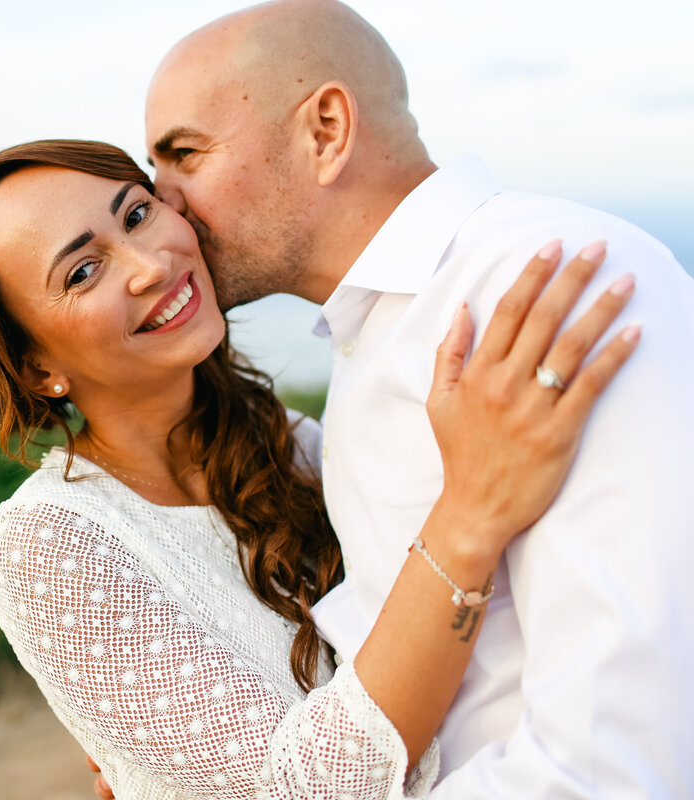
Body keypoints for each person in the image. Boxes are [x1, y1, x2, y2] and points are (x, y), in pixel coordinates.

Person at [0, 139, 638, 799]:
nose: (150, 264)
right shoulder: (51, 544)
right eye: (84, 271)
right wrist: (468, 518)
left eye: (139, 213)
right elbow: (300, 788)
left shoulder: (289, 440)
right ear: (36, 368)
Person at [143, 1, 694, 796]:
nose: (164, 205)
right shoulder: (382, 330)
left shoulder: (542, 290)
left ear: (326, 130)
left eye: (184, 155)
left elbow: (619, 759)